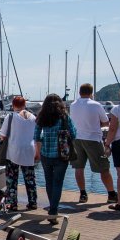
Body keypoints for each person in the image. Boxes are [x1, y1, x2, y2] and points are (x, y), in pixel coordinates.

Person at [69, 83, 118, 204]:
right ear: (91, 93)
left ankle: (83, 194)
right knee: (103, 168)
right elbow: (106, 122)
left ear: (79, 92)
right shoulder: (96, 105)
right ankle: (111, 193)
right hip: (93, 139)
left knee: (78, 168)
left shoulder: (73, 105)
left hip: (76, 139)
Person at [34, 94, 76, 224]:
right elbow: (74, 133)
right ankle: (53, 210)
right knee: (58, 183)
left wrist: (39, 150)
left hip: (46, 154)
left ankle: (52, 208)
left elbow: (36, 135)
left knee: (49, 182)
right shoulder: (64, 117)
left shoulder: (42, 117)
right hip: (61, 155)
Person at [0, 96, 38, 211]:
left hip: (14, 151)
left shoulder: (10, 117)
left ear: (13, 105)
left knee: (12, 179)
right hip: (29, 150)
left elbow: (3, 135)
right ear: (24, 104)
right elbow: (36, 136)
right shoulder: (33, 117)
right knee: (30, 178)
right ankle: (32, 202)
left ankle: (13, 204)